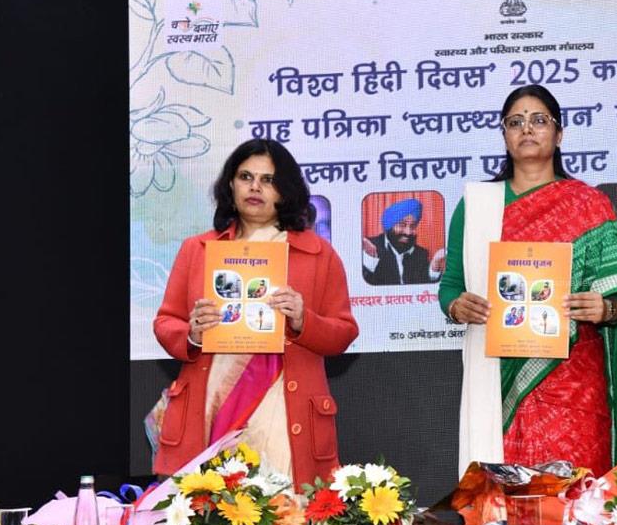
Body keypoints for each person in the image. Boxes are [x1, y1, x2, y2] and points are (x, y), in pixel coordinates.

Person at [439, 84, 617, 476]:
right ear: (504, 135)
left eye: (538, 120)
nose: (526, 129)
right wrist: (456, 304)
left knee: (574, 504)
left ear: (559, 133)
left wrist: (607, 309)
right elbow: (451, 283)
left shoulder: (590, 205)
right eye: (515, 122)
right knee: (507, 504)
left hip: (574, 383)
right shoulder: (478, 205)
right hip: (497, 378)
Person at [153, 138, 359, 488]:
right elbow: (165, 321)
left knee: (283, 523)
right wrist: (192, 332)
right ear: (230, 185)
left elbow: (343, 331)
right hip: (210, 404)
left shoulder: (318, 254)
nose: (255, 187)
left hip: (282, 406)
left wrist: (302, 319)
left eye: (268, 180)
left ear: (285, 191)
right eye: (246, 176)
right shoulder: (198, 250)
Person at [362, 198, 446, 285]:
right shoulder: (370, 247)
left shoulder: (421, 254)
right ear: (389, 226)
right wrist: (370, 260)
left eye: (413, 226)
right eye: (402, 225)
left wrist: (434, 267)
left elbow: (426, 289)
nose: (408, 232)